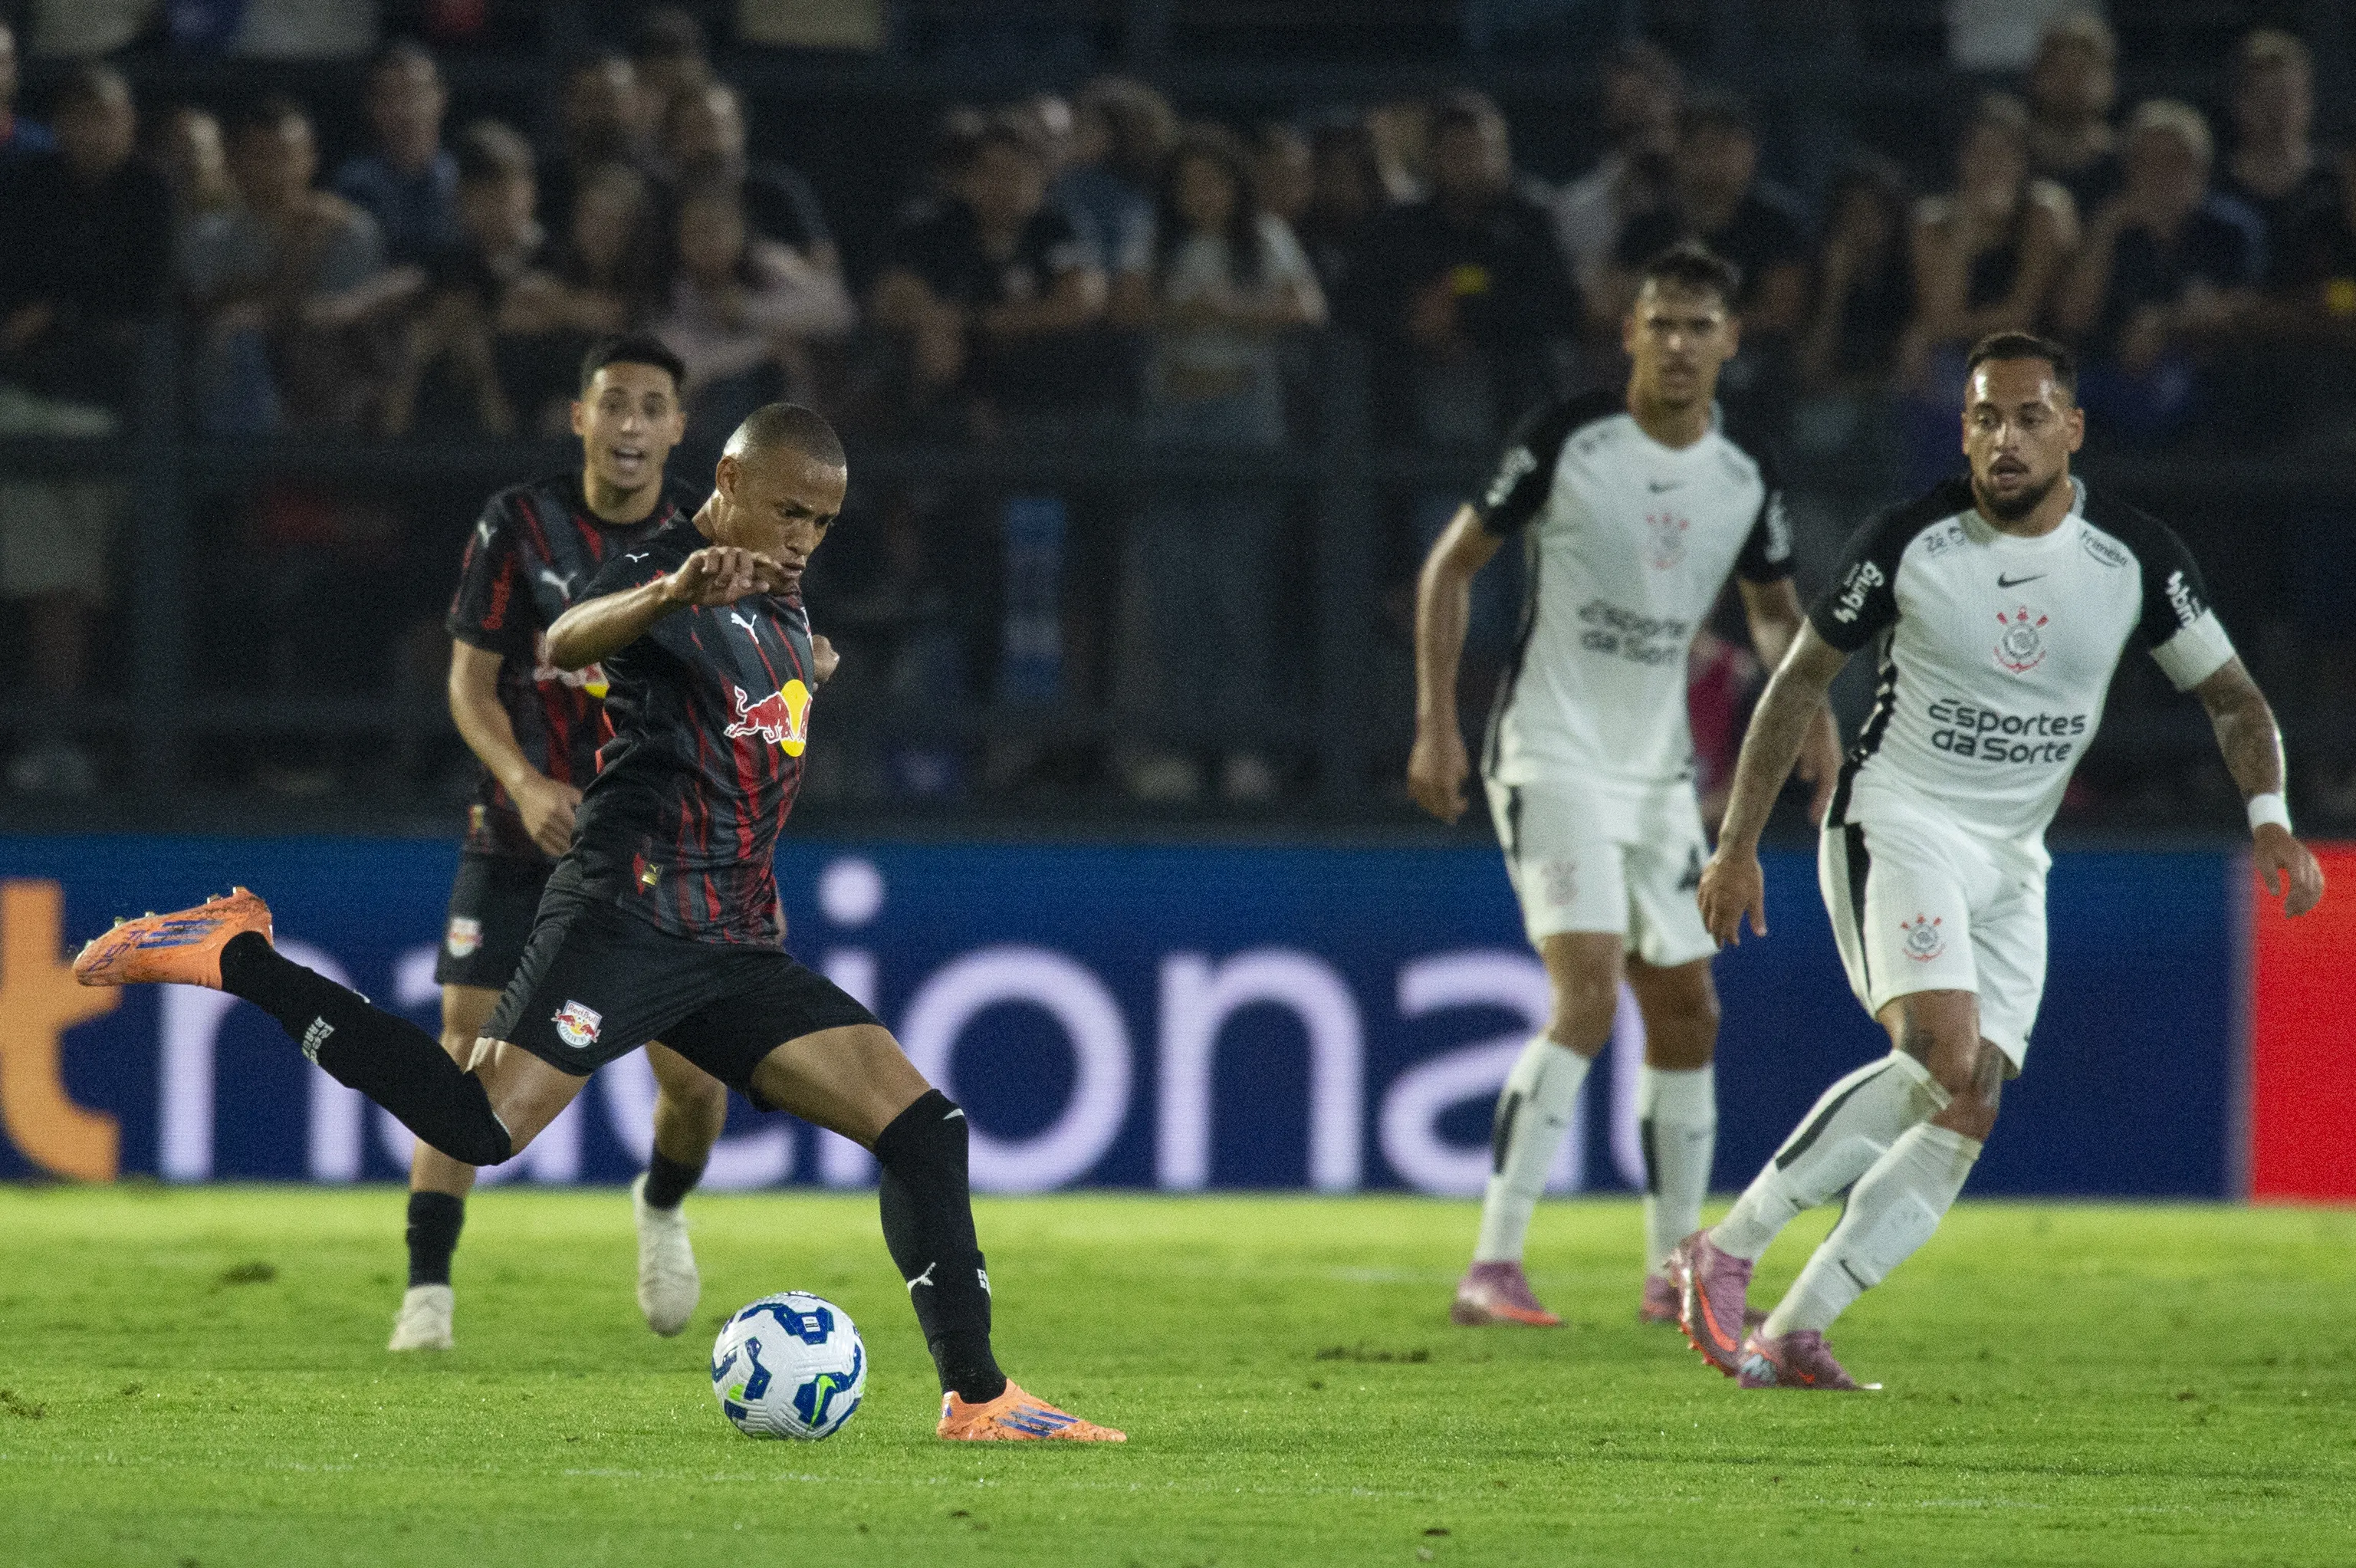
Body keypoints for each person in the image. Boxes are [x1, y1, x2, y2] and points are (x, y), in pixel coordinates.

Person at [74, 402, 1125, 1445]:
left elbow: (766, 721)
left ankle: (979, 1399)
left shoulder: (786, 607)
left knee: (922, 1128)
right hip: (626, 915)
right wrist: (670, 589)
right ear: (727, 481)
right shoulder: (672, 573)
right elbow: (566, 635)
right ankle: (237, 953)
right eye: (789, 511)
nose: (804, 537)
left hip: (734, 943)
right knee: (479, 1125)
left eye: (823, 522)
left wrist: (811, 660)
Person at [1675, 331, 2325, 1391]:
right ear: (1963, 429)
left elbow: (2234, 698)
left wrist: (2269, 815)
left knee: (1969, 1093)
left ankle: (1798, 1327)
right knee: (1939, 1050)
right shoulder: (1908, 540)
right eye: (1985, 417)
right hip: (1899, 819)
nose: (2005, 439)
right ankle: (1729, 1247)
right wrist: (1736, 845)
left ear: (2073, 428)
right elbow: (1797, 683)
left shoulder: (2136, 558)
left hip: (2015, 856)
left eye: (2029, 417)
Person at [1408, 242, 1841, 1329]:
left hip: (1657, 774)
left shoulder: (1743, 478)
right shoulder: (1568, 440)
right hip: (1549, 751)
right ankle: (1493, 1262)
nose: (1681, 345)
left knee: (1688, 1009)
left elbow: (1778, 612)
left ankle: (1670, 1269)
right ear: (1630, 334)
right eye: (1663, 325)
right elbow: (1450, 565)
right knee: (1589, 992)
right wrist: (1436, 725)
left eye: (1701, 327)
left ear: (1731, 342)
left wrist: (1816, 717)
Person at [388, 334, 730, 1353]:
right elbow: (468, 681)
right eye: (612, 403)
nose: (629, 425)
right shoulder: (521, 523)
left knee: (696, 1084)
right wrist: (526, 779)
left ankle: (661, 1206)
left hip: (655, 846)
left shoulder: (700, 542)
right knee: (465, 1044)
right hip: (522, 829)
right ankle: (427, 1294)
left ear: (678, 426)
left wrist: (737, 855)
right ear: (580, 417)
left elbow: (736, 705)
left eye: (650, 407)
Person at [1116, 127, 1326, 804]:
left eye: (1214, 182)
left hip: (1243, 421)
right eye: (1190, 183)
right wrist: (1178, 312)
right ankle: (1172, 746)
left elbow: (1305, 307)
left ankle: (1241, 746)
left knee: (1239, 585)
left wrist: (1233, 313)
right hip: (1170, 419)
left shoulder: (1261, 238)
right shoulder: (1151, 236)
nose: (1201, 196)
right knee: (1174, 585)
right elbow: (1121, 303)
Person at [2051, 101, 2262, 443]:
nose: (2158, 175)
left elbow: (2244, 308)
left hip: (2200, 371)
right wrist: (2106, 231)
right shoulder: (2111, 227)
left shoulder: (2230, 229)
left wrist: (2165, 325)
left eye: (2174, 162)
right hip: (2108, 370)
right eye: (2145, 162)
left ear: (2200, 169)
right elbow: (2074, 317)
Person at [330, 41, 460, 268]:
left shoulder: (465, 181)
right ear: (372, 106)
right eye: (391, 96)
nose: (406, 109)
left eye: (416, 93)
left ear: (441, 98)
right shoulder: (352, 186)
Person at [2024, 12, 2122, 215]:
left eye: (2082, 71)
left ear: (2107, 82)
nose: (2070, 84)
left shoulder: (2126, 161)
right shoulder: (2015, 157)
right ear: (2037, 78)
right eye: (2060, 70)